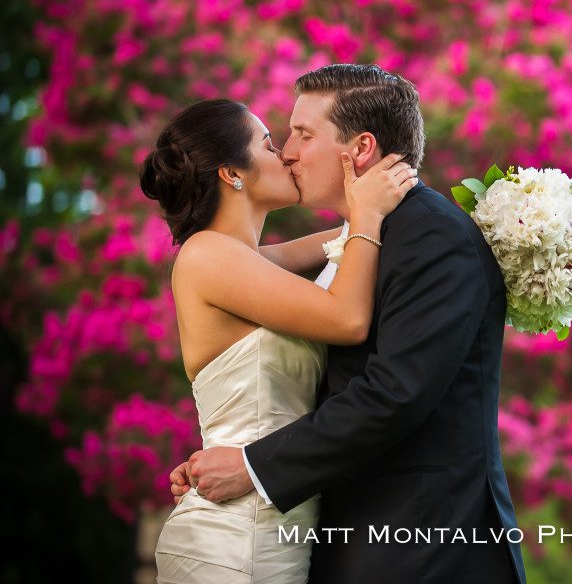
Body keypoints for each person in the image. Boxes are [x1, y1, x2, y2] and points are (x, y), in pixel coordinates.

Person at [168, 64, 526, 584]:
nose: (288, 151)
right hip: (334, 536)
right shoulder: (362, 238)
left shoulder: (431, 238)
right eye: (279, 139)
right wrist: (229, 447)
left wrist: (251, 463)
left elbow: (393, 394)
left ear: (359, 149)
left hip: (422, 547)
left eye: (302, 134)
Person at [140, 96, 418, 583]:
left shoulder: (253, 261)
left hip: (277, 524)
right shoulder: (207, 256)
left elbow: (347, 240)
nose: (287, 154)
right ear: (233, 174)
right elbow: (348, 317)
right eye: (269, 144)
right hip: (230, 538)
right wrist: (368, 216)